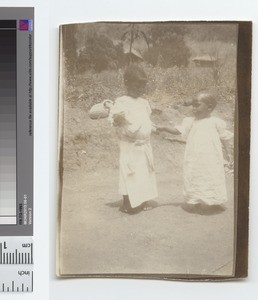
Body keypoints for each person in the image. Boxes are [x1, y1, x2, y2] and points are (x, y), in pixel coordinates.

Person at [157, 91, 233, 212]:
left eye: (197, 105)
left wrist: (228, 153)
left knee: (212, 176)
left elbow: (224, 137)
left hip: (212, 158)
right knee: (195, 176)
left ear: (209, 107)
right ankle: (196, 201)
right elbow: (179, 131)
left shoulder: (216, 122)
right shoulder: (190, 122)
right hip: (194, 157)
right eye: (193, 105)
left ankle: (214, 200)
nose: (194, 108)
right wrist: (165, 128)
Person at [108, 64, 158, 214]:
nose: (141, 89)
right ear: (127, 83)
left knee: (144, 173)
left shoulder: (144, 103)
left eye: (143, 85)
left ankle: (143, 199)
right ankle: (128, 202)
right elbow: (114, 118)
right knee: (129, 174)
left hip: (144, 146)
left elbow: (145, 119)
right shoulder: (122, 101)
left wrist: (152, 128)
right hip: (130, 146)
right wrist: (117, 119)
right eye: (137, 85)